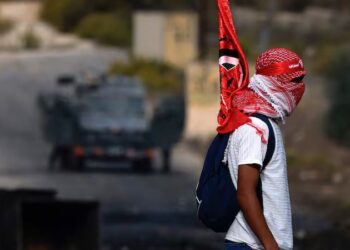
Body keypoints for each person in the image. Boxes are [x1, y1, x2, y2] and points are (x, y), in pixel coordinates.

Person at [215, 1, 306, 249]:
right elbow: (245, 192)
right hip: (253, 245)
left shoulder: (261, 121)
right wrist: (271, 245)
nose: (298, 88)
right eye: (293, 80)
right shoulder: (255, 127)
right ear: (273, 83)